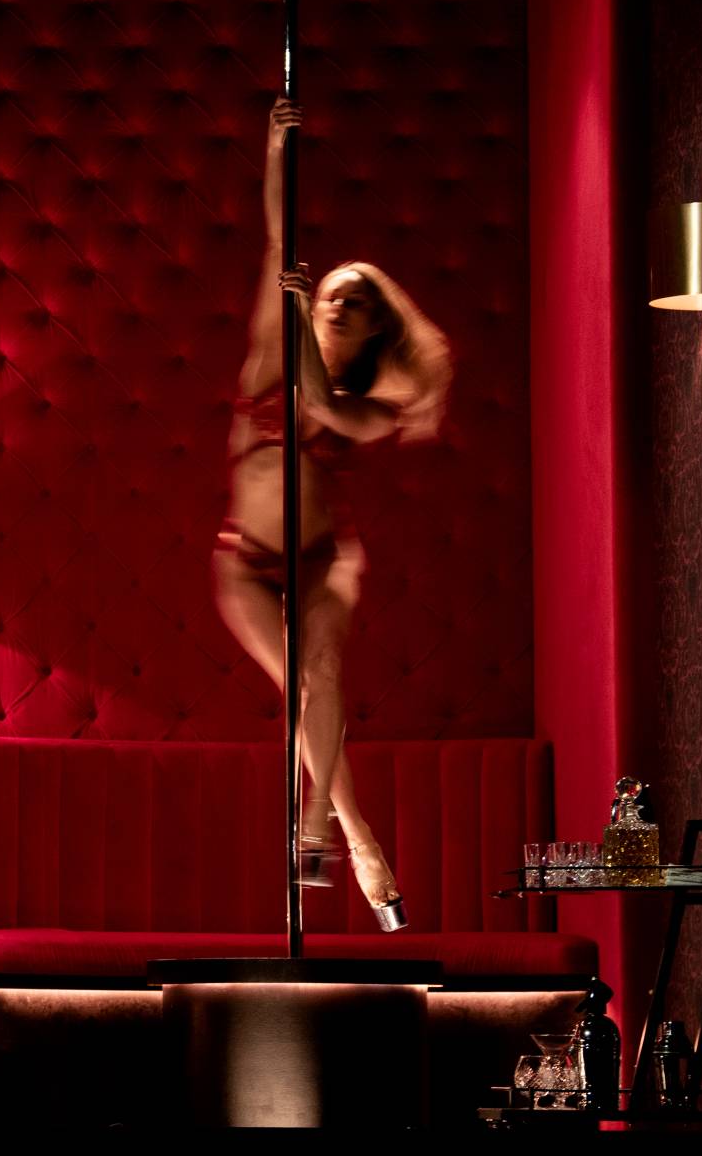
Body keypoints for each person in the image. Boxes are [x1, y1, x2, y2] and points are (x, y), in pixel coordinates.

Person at [215, 96, 453, 930]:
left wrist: (298, 315)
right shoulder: (267, 352)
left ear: (373, 326)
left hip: (323, 558)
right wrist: (275, 146)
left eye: (353, 302)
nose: (334, 304)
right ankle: (354, 835)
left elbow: (317, 403)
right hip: (244, 561)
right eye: (329, 296)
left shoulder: (371, 409)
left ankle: (312, 826)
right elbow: (276, 240)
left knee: (320, 673)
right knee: (300, 693)